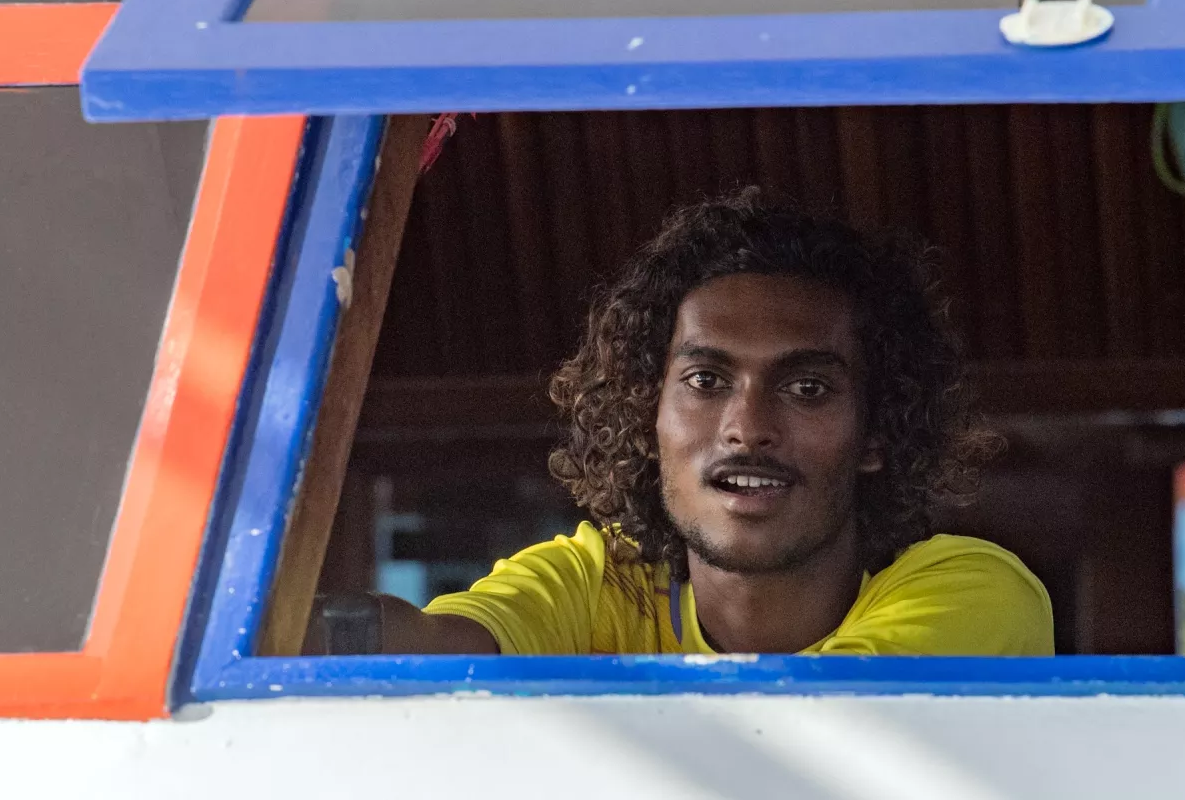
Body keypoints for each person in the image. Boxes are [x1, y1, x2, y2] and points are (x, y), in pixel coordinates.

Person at [345, 191, 1053, 656]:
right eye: (706, 381)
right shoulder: (598, 583)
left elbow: (812, 737)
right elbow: (431, 645)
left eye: (806, 387)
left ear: (876, 434)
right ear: (646, 411)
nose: (747, 427)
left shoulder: (977, 591)